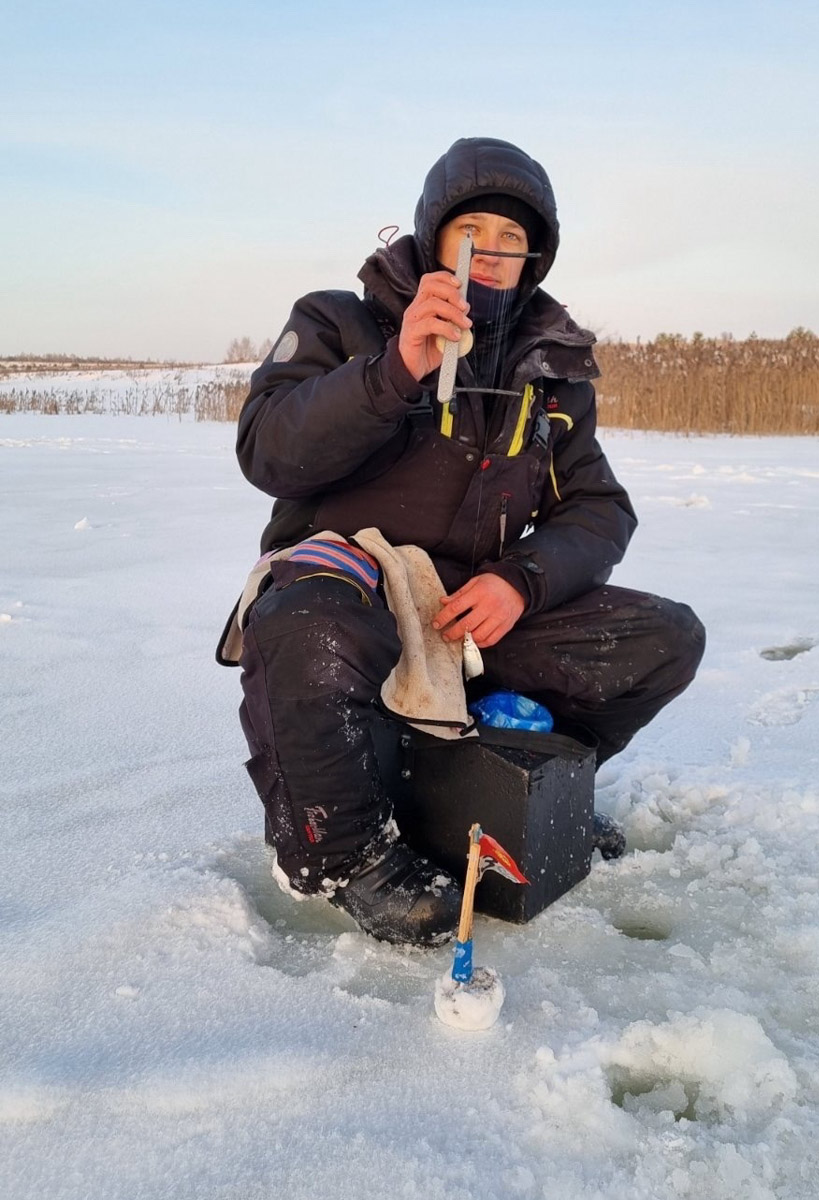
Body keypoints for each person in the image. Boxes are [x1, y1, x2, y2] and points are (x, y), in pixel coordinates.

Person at [223, 136, 705, 947]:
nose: (491, 251)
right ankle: (347, 857)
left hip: (467, 619)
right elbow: (269, 450)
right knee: (307, 621)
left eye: (513, 239)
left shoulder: (550, 371)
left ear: (533, 260)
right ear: (431, 237)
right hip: (351, 595)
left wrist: (523, 579)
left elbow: (597, 507)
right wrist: (391, 369)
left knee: (661, 639)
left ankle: (517, 788)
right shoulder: (336, 321)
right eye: (472, 230)